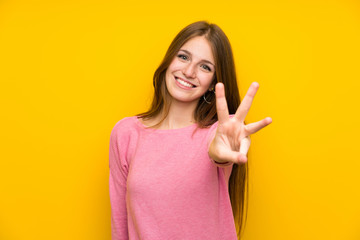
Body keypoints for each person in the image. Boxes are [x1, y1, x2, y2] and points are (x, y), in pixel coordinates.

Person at [109, 21, 272, 240]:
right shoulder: (126, 133)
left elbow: (218, 149)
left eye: (205, 67)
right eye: (183, 57)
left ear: (214, 82)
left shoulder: (218, 132)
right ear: (169, 60)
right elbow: (120, 227)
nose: (188, 71)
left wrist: (227, 146)